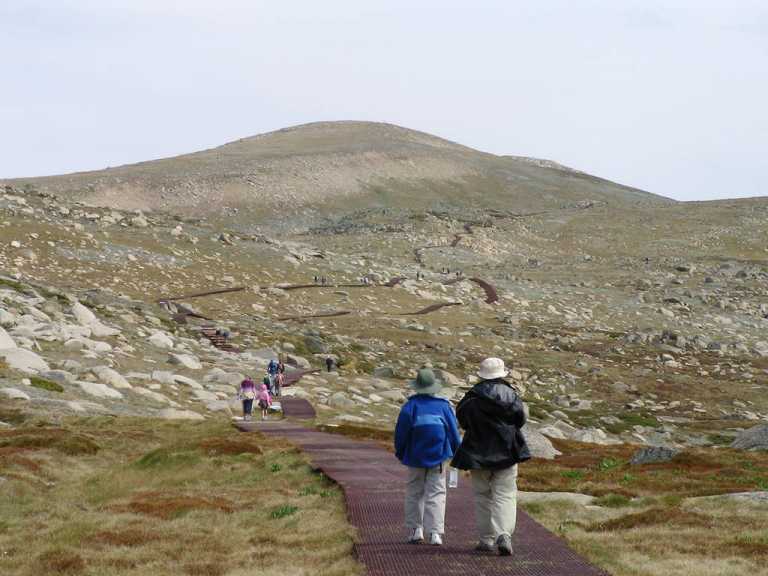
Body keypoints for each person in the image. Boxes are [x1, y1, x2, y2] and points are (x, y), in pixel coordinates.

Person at [451, 358, 530, 557]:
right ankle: (504, 534)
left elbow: (462, 419)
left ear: (482, 374)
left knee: (482, 496)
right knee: (505, 494)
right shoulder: (511, 395)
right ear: (502, 374)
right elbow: (520, 419)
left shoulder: (471, 397)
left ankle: (486, 539)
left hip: (477, 452)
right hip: (506, 452)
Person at [394, 368, 461, 547]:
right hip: (438, 456)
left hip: (414, 456)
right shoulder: (444, 406)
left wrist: (400, 452)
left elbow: (401, 434)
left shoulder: (410, 406)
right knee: (437, 493)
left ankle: (415, 530)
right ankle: (435, 533)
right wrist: (457, 452)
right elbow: (453, 433)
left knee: (414, 492)